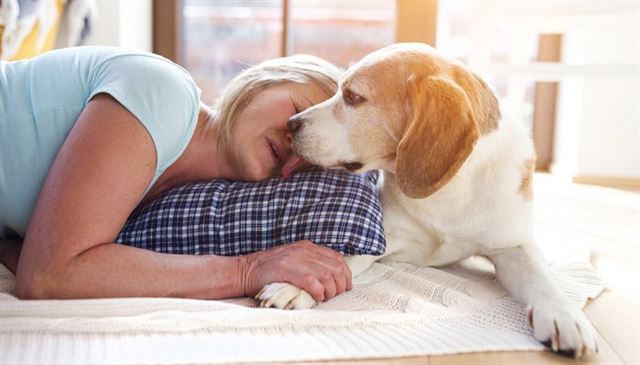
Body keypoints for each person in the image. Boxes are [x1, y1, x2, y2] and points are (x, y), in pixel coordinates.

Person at [0, 46, 352, 301]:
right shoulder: (164, 93)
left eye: (307, 155)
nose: (293, 145)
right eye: (297, 112)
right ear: (262, 83)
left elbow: (38, 256)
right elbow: (48, 275)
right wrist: (249, 269)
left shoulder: (166, 197)